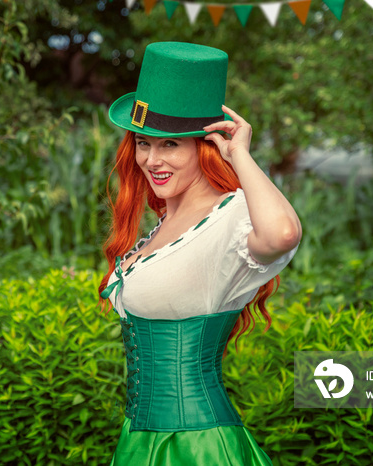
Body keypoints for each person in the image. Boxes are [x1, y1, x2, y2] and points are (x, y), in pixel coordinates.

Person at [98, 41, 301, 466]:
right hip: (139, 442)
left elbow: (283, 234)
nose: (152, 160)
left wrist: (239, 154)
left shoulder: (230, 218)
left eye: (170, 144)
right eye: (142, 143)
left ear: (203, 146)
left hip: (196, 447)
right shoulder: (162, 228)